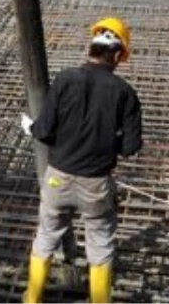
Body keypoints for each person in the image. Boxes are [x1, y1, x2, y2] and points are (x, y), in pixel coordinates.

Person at [21, 17, 143, 304]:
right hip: (96, 185)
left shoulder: (64, 79)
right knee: (100, 247)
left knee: (46, 238)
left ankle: (32, 299)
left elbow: (45, 130)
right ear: (116, 55)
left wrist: (31, 127)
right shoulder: (125, 93)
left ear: (91, 48)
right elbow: (130, 148)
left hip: (57, 178)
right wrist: (106, 140)